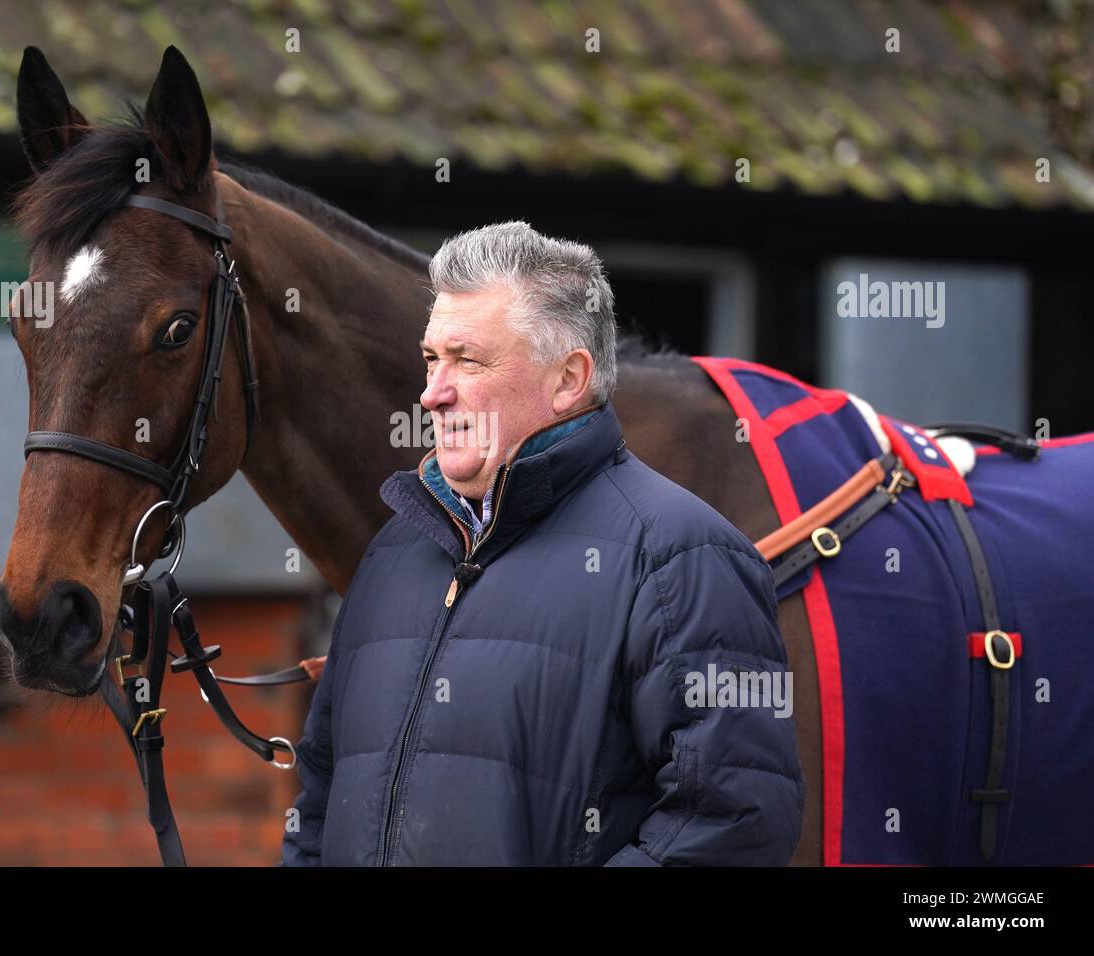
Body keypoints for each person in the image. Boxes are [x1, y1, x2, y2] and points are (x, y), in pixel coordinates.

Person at [281, 221, 804, 865]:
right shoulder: (393, 551)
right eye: (430, 359)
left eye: (467, 359)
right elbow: (317, 807)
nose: (431, 394)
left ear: (568, 380)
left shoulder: (684, 559)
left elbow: (731, 826)